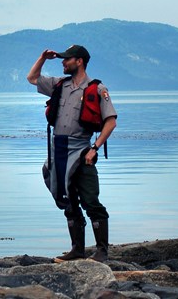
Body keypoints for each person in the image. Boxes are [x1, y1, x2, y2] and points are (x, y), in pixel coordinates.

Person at [26, 45, 117, 263]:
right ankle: (77, 250)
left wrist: (95, 148)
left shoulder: (96, 89)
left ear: (80, 61)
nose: (63, 62)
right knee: (68, 201)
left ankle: (102, 252)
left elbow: (111, 122)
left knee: (91, 200)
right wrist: (42, 58)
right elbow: (32, 78)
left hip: (82, 149)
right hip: (58, 148)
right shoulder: (60, 85)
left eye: (67, 59)